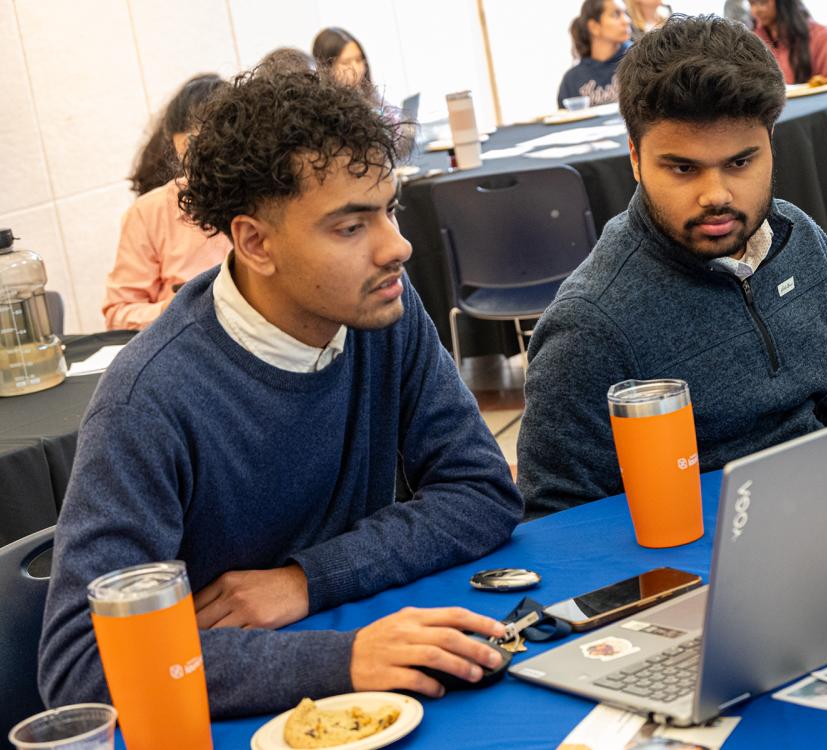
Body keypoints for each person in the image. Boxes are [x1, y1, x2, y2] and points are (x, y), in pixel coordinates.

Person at [39, 68, 523, 717]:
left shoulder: (386, 311)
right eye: (351, 228)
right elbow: (83, 661)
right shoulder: (148, 400)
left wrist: (306, 581)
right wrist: (338, 659)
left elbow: (482, 493)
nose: (398, 247)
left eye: (390, 208)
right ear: (255, 243)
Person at [516, 14, 827, 517]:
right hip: (703, 565)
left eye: (741, 162)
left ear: (770, 146)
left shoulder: (798, 239)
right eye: (682, 168)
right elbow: (557, 522)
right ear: (634, 158)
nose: (715, 195)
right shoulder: (591, 325)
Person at [103, 74, 231, 330]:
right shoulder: (149, 213)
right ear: (174, 148)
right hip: (187, 343)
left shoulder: (267, 198)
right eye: (188, 152)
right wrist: (174, 308)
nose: (201, 166)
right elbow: (118, 313)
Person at [750, 0, 827, 89]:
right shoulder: (755, 39)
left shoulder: (822, 37)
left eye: (762, 2)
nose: (755, 11)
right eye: (752, 3)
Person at [557, 0, 633, 107]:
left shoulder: (640, 60)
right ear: (594, 27)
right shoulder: (572, 79)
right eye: (616, 14)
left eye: (625, 13)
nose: (627, 20)